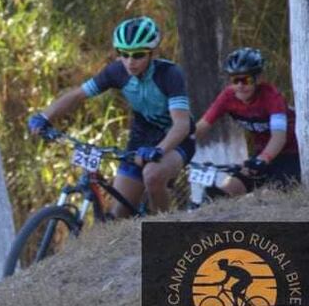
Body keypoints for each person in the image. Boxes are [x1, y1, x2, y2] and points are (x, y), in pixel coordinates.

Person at [27, 16, 195, 216]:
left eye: (138, 55)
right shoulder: (117, 72)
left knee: (152, 176)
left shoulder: (169, 74)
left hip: (176, 140)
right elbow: (77, 95)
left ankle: (167, 228)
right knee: (117, 214)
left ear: (152, 53)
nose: (130, 62)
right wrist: (45, 117)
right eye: (123, 54)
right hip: (142, 138)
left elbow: (181, 125)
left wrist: (158, 150)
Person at [195, 48, 301, 196]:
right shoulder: (228, 96)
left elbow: (279, 137)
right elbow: (203, 125)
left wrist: (263, 159)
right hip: (261, 154)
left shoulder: (272, 97)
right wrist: (182, 145)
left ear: (258, 79)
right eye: (235, 80)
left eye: (246, 80)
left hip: (291, 153)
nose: (240, 86)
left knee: (269, 195)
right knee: (227, 189)